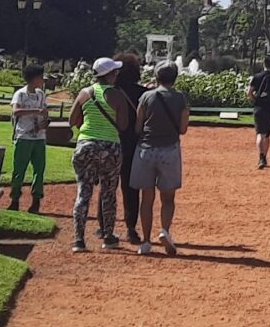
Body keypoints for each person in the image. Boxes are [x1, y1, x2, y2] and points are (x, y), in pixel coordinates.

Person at [69, 56, 135, 252]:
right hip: (110, 146)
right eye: (115, 72)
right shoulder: (117, 96)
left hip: (86, 144)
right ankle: (108, 236)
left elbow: (72, 119)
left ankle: (79, 239)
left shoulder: (84, 93)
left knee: (83, 192)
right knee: (108, 192)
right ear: (110, 75)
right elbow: (123, 125)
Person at [131, 62, 190, 255]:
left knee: (146, 198)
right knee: (168, 198)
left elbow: (138, 126)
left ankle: (146, 242)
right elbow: (182, 129)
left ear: (156, 77)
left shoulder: (146, 96)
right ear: (175, 77)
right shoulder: (180, 98)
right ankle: (164, 230)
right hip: (169, 149)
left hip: (146, 149)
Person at [111, 53, 147, 244]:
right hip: (133, 144)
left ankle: (104, 226)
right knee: (131, 188)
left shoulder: (109, 91)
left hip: (110, 141)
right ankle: (131, 228)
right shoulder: (142, 93)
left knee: (108, 186)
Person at [8, 66, 50, 213]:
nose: (43, 80)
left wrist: (43, 124)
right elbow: (15, 111)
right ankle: (15, 199)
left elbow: (46, 114)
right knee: (19, 170)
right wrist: (36, 111)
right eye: (40, 77)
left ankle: (36, 200)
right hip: (23, 136)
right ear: (34, 78)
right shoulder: (20, 94)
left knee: (39, 169)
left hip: (39, 137)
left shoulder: (41, 94)